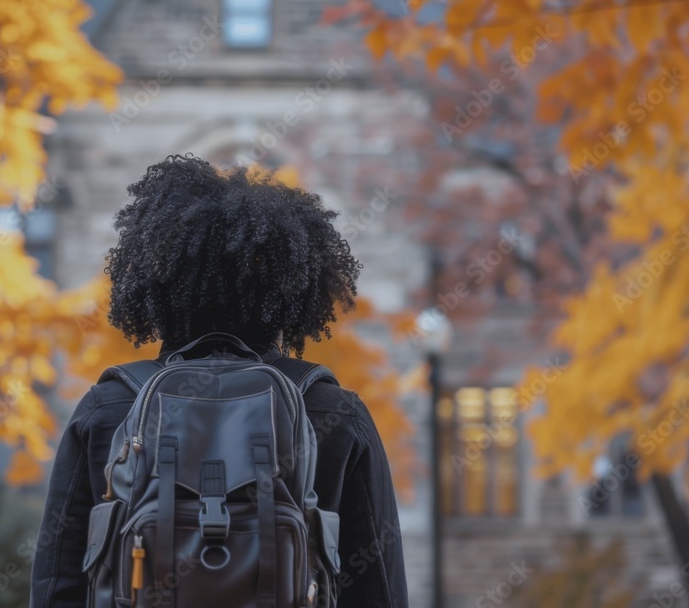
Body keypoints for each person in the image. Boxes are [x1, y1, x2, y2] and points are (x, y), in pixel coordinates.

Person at [30, 154, 408, 607]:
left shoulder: (109, 409)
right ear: (290, 288)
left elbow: (58, 588)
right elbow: (379, 591)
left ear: (156, 285)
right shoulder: (333, 412)